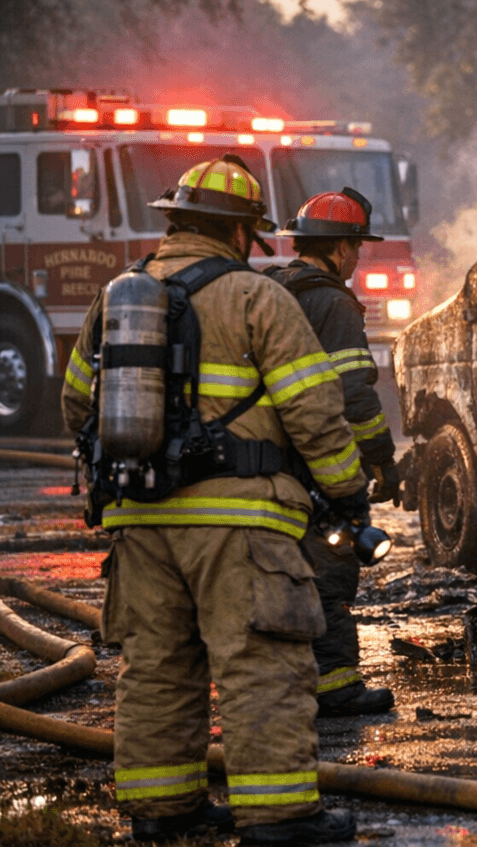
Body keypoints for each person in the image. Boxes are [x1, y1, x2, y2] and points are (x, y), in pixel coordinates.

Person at [62, 155, 364, 845]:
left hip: (139, 518)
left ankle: (163, 808)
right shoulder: (258, 298)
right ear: (239, 232)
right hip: (240, 524)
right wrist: (348, 492)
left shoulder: (118, 297)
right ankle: (279, 816)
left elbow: (77, 402)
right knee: (262, 666)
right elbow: (315, 412)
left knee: (157, 667)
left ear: (175, 222)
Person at [265, 188, 399, 716]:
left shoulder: (272, 289)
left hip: (265, 461)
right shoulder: (334, 303)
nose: (357, 258)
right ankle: (336, 686)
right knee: (331, 573)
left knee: (281, 573)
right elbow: (355, 393)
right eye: (357, 248)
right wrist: (382, 459)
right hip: (320, 464)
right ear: (341, 248)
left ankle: (285, 680)